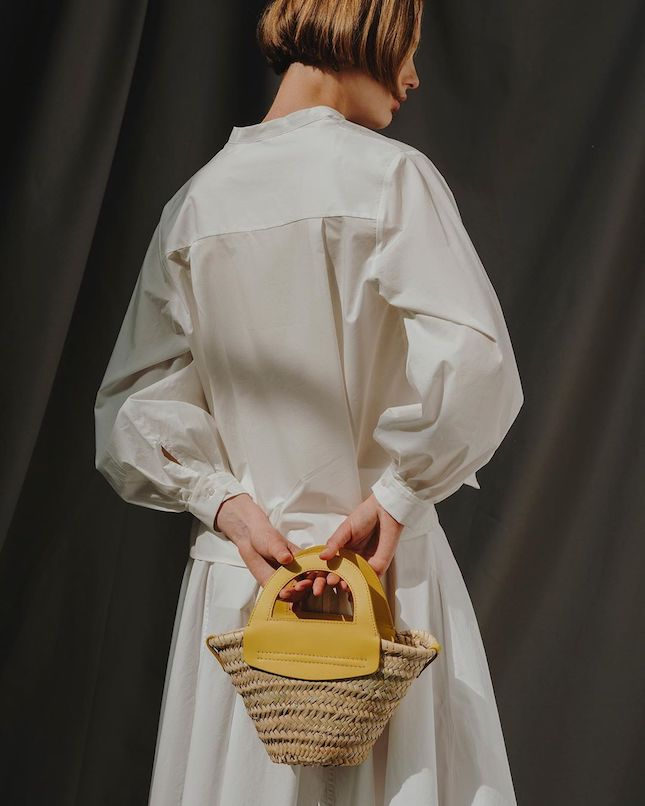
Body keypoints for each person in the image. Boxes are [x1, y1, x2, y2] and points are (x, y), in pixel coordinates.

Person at [94, 1, 524, 803]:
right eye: (408, 47)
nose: (413, 76)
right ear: (363, 27)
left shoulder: (195, 205)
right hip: (380, 586)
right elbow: (475, 363)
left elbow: (130, 409)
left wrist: (224, 505)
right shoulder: (391, 179)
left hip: (246, 594)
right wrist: (397, 495)